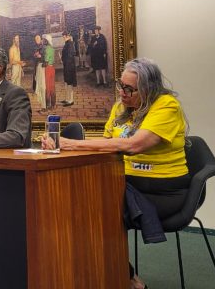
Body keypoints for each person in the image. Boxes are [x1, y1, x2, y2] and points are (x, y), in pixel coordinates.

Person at [41, 58, 188, 289]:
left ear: (149, 89)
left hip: (161, 189)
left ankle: (123, 278)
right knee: (73, 206)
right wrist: (60, 145)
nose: (122, 93)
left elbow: (133, 145)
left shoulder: (166, 105)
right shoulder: (120, 108)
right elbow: (107, 144)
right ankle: (118, 276)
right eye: (121, 85)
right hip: (123, 182)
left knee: (90, 212)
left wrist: (72, 144)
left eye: (129, 89)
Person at [60, 31, 77, 106]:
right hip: (67, 66)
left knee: (69, 83)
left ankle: (71, 100)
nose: (64, 38)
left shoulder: (70, 44)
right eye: (63, 36)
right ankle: (67, 99)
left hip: (69, 67)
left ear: (68, 36)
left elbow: (70, 56)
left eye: (64, 36)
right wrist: (62, 59)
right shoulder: (67, 43)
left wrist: (63, 59)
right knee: (67, 82)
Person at [32, 34, 46, 111]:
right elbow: (35, 55)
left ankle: (44, 104)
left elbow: (44, 56)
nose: (37, 40)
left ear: (40, 39)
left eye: (38, 38)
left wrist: (39, 56)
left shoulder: (43, 46)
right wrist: (36, 55)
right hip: (38, 66)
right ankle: (42, 103)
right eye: (36, 39)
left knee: (42, 85)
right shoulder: (36, 46)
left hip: (42, 66)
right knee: (38, 82)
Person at [42, 34, 56, 111]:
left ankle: (48, 105)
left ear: (46, 41)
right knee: (52, 86)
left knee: (47, 87)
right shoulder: (52, 48)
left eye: (44, 40)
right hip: (52, 68)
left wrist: (42, 65)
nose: (43, 41)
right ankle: (53, 104)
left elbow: (46, 62)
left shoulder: (47, 49)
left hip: (48, 69)